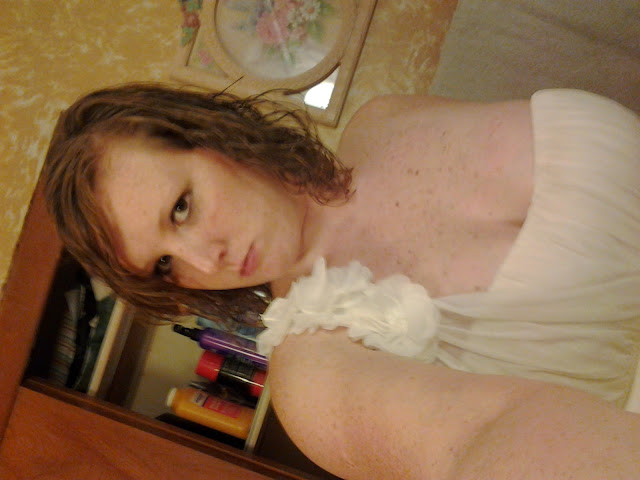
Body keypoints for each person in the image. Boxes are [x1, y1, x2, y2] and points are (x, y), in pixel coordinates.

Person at [42, 83, 640, 479]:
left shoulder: (382, 118)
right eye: (165, 266)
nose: (204, 259)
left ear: (210, 136)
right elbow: (474, 444)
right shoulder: (314, 374)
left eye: (181, 208)